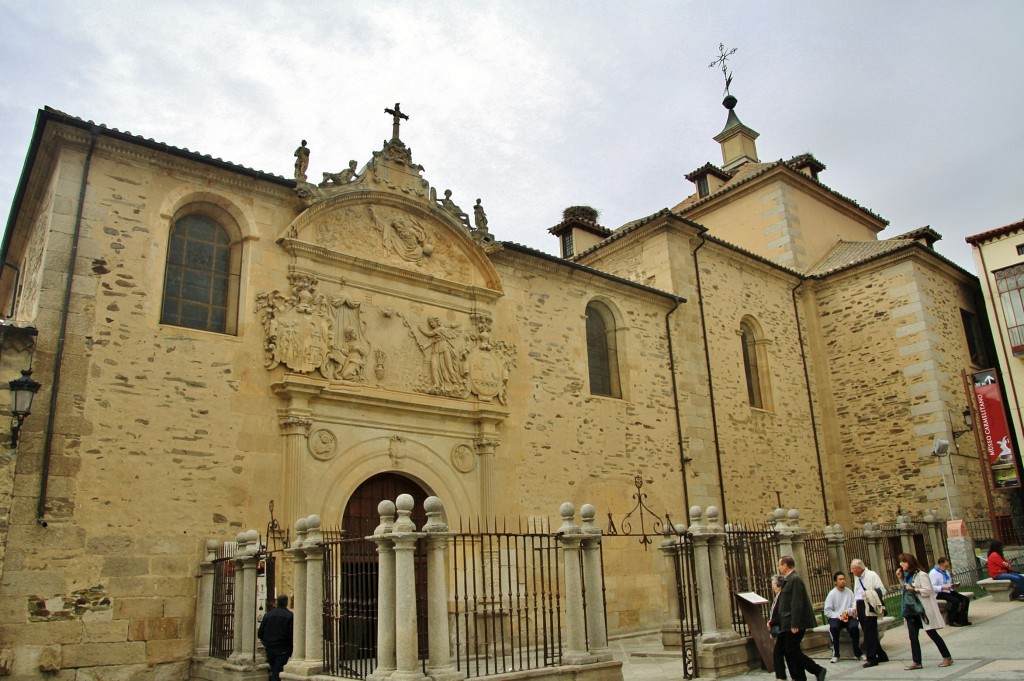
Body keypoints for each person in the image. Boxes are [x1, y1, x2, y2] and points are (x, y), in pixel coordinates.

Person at [897, 553, 952, 670]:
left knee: (932, 634)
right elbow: (905, 591)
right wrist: (900, 579)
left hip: (922, 609)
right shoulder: (906, 575)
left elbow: (928, 591)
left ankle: (947, 656)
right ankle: (917, 662)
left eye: (903, 562)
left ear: (909, 563)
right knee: (913, 637)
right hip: (911, 610)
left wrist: (914, 589)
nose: (901, 564)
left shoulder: (921, 575)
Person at [777, 555, 827, 681]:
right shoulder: (788, 579)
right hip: (787, 622)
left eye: (779, 565)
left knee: (791, 651)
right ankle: (799, 677)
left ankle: (818, 669)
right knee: (792, 650)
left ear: (785, 565)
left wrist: (795, 624)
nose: (778, 568)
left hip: (794, 623)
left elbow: (797, 602)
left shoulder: (795, 579)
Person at [849, 558, 888, 667]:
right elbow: (856, 593)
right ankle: (881, 655)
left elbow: (882, 589)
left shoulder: (872, 575)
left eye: (853, 569)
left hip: (869, 604)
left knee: (869, 631)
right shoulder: (857, 578)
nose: (852, 571)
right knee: (868, 631)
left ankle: (872, 658)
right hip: (860, 605)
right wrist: (854, 607)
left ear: (859, 568)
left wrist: (869, 594)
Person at [823, 571, 861, 663]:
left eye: (844, 579)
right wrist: (839, 615)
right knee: (834, 628)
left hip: (849, 616)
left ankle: (857, 654)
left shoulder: (849, 592)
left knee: (854, 627)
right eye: (840, 579)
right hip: (836, 618)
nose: (842, 581)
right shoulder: (832, 594)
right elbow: (827, 611)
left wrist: (847, 612)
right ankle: (836, 655)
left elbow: (854, 606)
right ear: (835, 582)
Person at [258, 594, 293, 681]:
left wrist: (265, 641)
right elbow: (291, 634)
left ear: (276, 602)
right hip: (283, 648)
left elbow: (260, 632)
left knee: (274, 669)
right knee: (277, 671)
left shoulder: (268, 615)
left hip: (269, 647)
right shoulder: (289, 615)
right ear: (286, 603)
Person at [929, 557, 971, 625]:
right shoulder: (933, 573)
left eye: (948, 566)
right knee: (955, 601)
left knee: (965, 599)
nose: (947, 568)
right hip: (939, 593)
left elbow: (948, 583)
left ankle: (963, 619)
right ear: (940, 565)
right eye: (946, 566)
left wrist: (953, 585)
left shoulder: (946, 572)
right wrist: (943, 587)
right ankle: (952, 620)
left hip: (948, 590)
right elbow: (932, 587)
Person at [767, 574, 788, 681]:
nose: (772, 587)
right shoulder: (778, 596)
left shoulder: (781, 597)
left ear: (779, 585)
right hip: (780, 628)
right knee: (789, 653)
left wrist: (771, 623)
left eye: (773, 584)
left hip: (782, 628)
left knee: (778, 653)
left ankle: (781, 677)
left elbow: (780, 614)